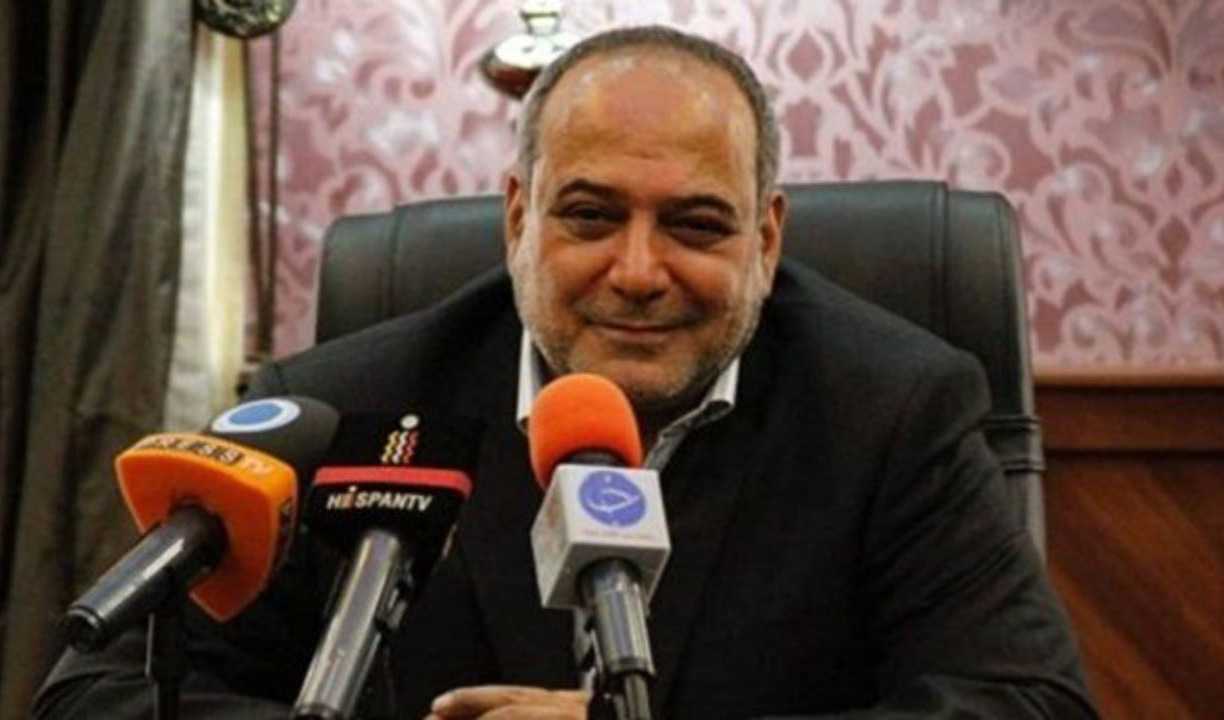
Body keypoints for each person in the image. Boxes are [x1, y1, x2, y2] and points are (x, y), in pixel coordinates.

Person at [34, 25, 1096, 719]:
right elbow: (97, 696)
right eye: (589, 216)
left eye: (696, 224)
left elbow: (1029, 704)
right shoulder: (345, 408)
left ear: (768, 240)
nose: (637, 272)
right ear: (517, 219)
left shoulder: (892, 407)